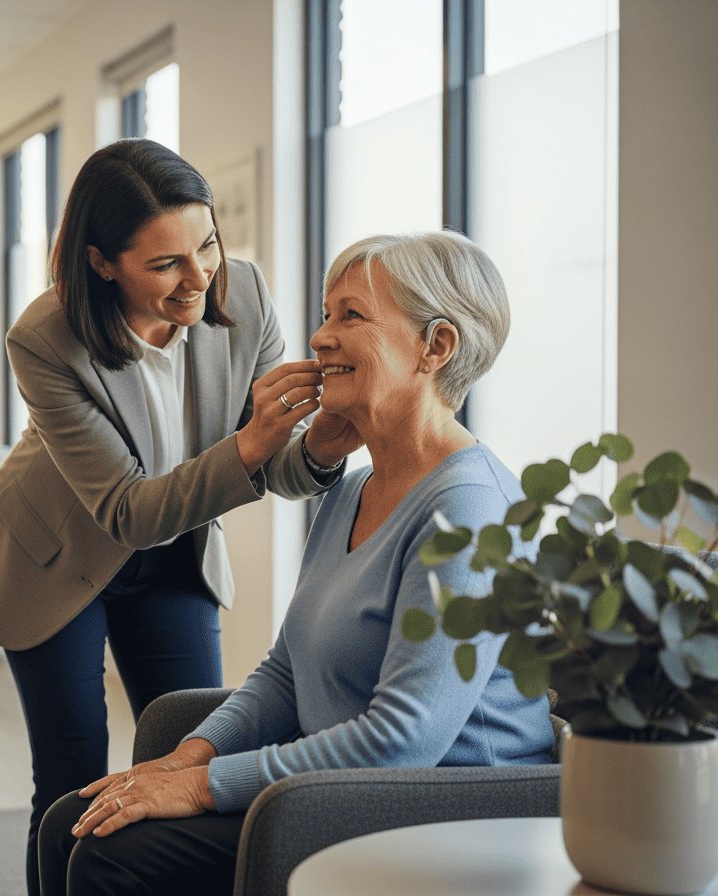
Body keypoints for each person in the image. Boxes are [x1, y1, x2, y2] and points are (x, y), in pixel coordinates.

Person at [36, 230, 557, 896]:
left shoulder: (466, 511)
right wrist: (188, 756)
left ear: (437, 346)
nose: (319, 337)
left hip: (442, 810)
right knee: (70, 825)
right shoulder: (352, 487)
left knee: (113, 854)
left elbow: (404, 741)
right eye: (326, 313)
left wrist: (204, 786)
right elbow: (287, 671)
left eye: (351, 315)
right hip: (338, 794)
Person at [0, 139, 356, 896]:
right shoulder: (45, 337)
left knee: (185, 753)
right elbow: (127, 509)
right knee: (74, 782)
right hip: (58, 559)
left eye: (206, 244)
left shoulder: (247, 296)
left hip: (177, 556)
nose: (199, 278)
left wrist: (327, 444)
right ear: (102, 263)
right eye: (165, 263)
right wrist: (254, 441)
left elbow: (277, 468)